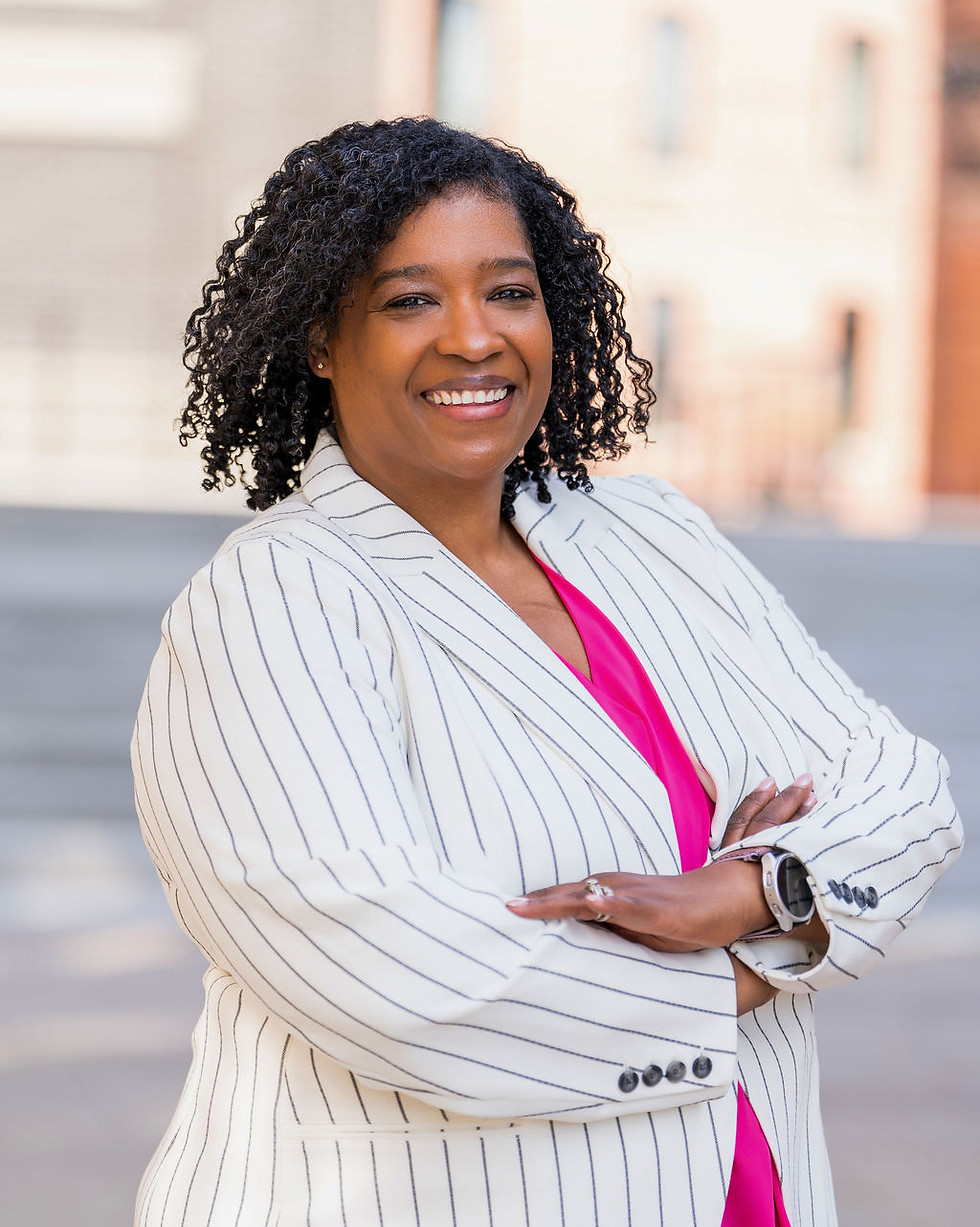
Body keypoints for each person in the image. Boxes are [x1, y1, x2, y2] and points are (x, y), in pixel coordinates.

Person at [131, 117, 961, 1227]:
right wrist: (751, 969)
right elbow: (401, 982)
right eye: (409, 299)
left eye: (509, 293)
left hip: (740, 1184)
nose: (473, 339)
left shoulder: (639, 530)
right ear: (321, 338)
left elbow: (901, 791)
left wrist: (751, 891)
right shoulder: (273, 602)